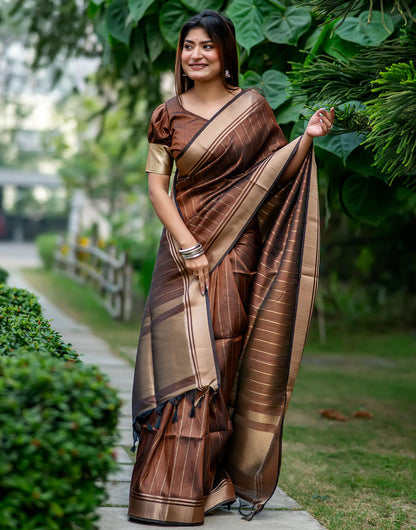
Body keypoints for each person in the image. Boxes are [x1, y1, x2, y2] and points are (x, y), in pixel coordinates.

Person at [129, 9, 334, 526]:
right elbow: (158, 186)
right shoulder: (166, 114)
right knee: (176, 364)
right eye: (187, 46)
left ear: (225, 54)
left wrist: (306, 137)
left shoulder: (253, 108)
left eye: (207, 46)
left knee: (219, 360)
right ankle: (162, 489)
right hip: (181, 253)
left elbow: (275, 172)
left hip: (235, 254)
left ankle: (210, 483)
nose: (195, 55)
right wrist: (189, 247)